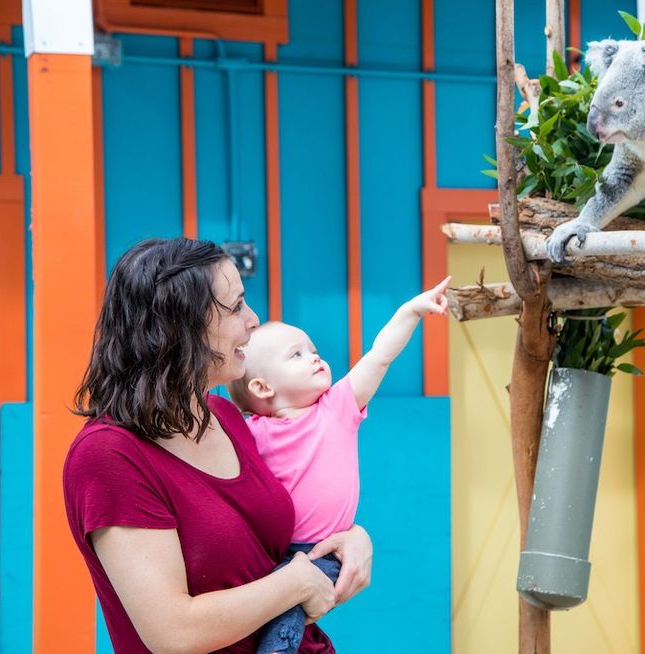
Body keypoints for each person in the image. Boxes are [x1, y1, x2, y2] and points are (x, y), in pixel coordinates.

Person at [63, 238, 372, 653]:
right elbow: (173, 633)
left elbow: (272, 533)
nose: (252, 320)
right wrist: (296, 582)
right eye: (235, 307)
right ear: (179, 327)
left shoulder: (226, 416)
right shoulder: (109, 456)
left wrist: (351, 536)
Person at [227, 276, 450, 653]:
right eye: (296, 355)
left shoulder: (337, 407)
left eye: (312, 349)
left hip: (321, 550)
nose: (314, 356)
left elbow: (379, 356)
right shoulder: (250, 431)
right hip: (270, 551)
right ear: (263, 388)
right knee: (263, 601)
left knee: (287, 614)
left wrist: (410, 311)